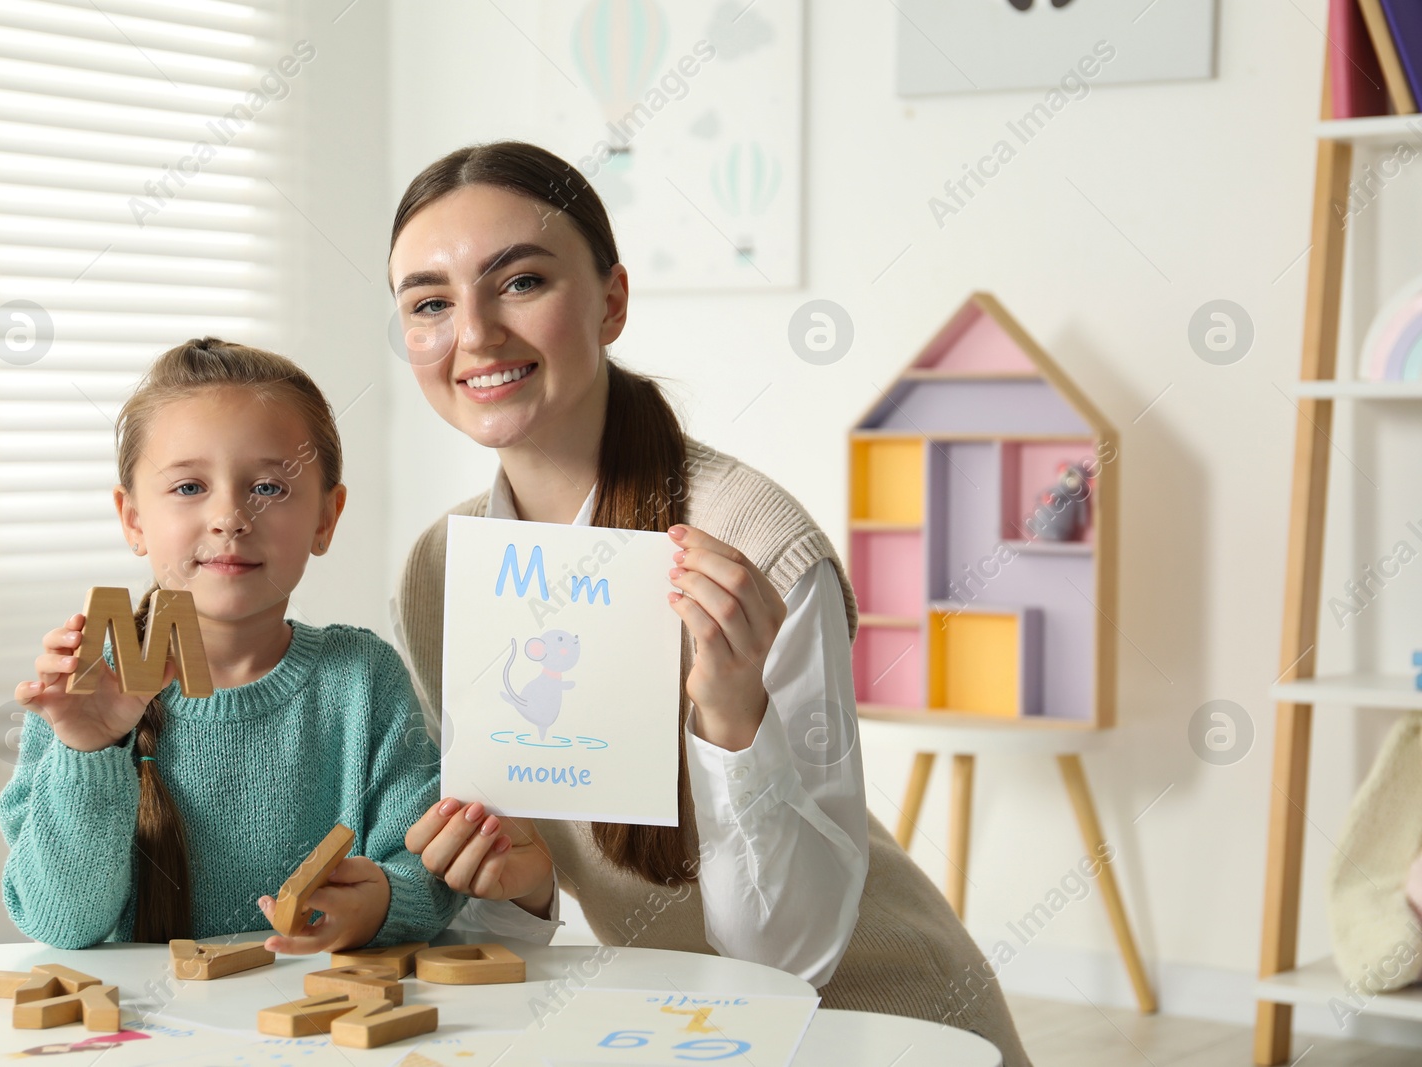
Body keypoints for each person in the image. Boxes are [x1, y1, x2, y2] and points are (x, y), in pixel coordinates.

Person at [387, 142, 1030, 1065]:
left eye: (520, 281)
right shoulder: (445, 568)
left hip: (882, 1023)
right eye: (431, 304)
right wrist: (520, 888)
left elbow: (789, 953)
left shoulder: (755, 543)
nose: (476, 334)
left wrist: (734, 720)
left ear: (611, 301)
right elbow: (521, 905)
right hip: (692, 1033)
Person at [0, 338, 461, 951]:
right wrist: (88, 749)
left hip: (311, 1031)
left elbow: (427, 872)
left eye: (268, 487)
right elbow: (62, 923)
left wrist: (380, 904)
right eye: (189, 487)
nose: (230, 517)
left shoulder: (364, 681)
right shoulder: (87, 688)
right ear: (133, 519)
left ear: (326, 517)